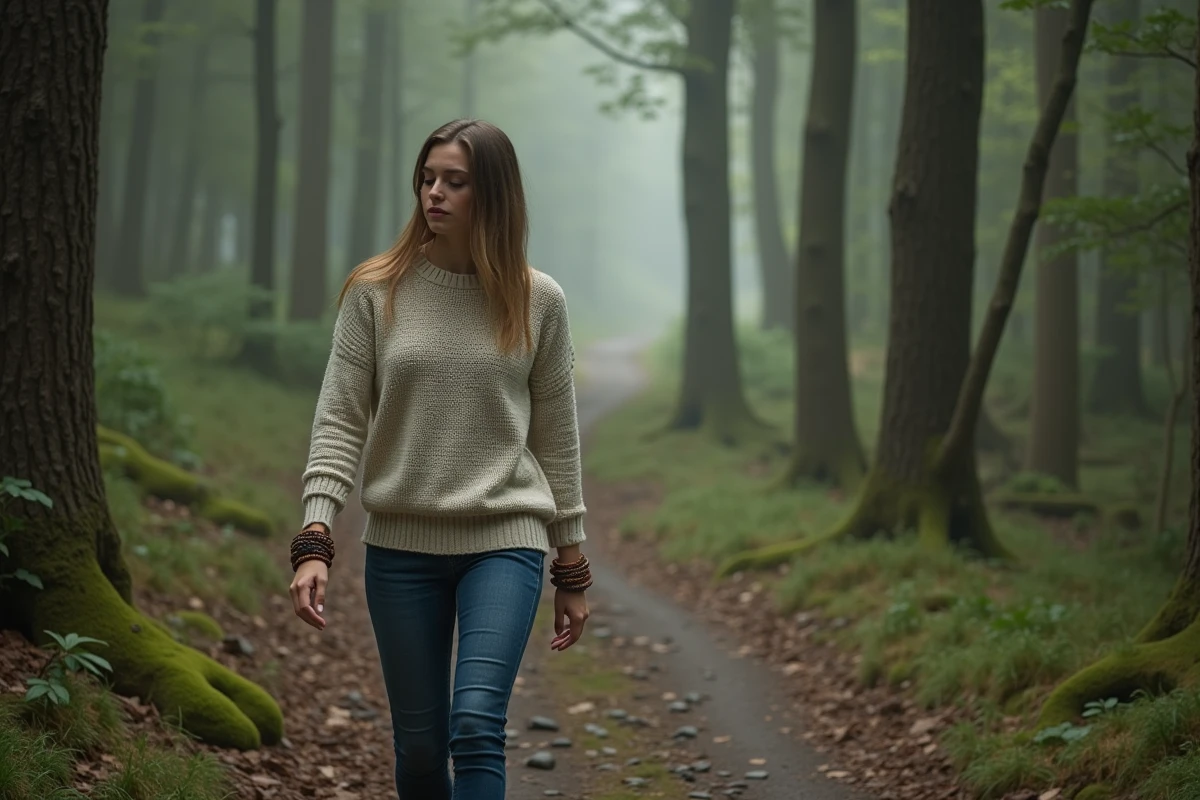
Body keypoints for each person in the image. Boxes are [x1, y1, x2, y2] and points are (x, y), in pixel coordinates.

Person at [287, 118, 592, 800]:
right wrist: (315, 535)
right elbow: (340, 417)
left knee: (476, 723)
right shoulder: (374, 290)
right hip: (400, 546)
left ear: (493, 194)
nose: (435, 193)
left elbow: (556, 438)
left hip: (504, 539)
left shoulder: (537, 299)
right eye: (427, 179)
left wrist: (570, 561)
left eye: (455, 181)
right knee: (421, 748)